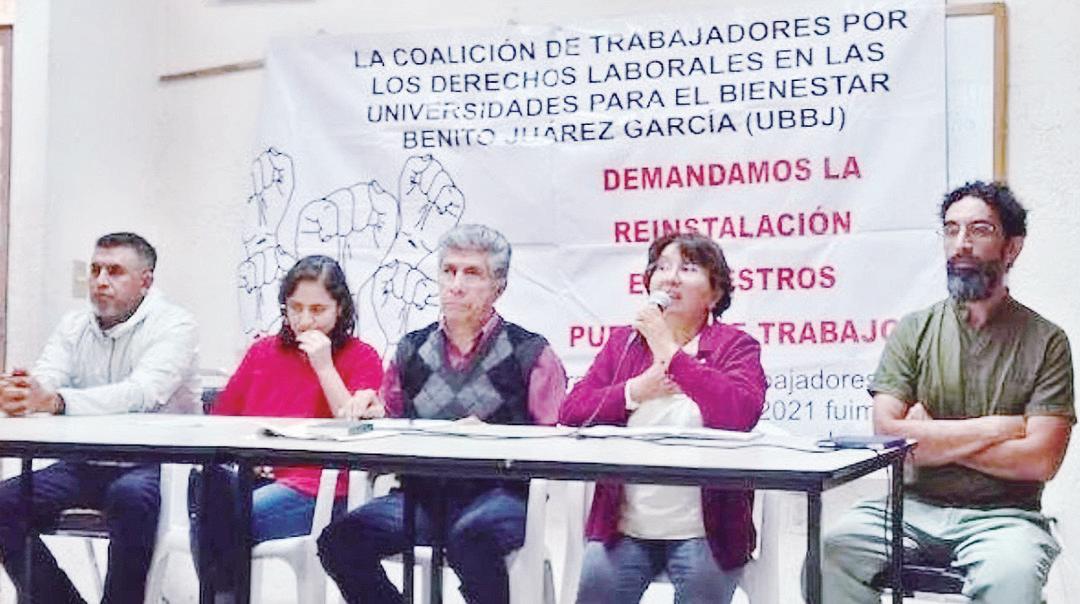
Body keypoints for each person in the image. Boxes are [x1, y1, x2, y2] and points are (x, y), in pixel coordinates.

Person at [816, 181, 1074, 603]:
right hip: (909, 508)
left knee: (1012, 579)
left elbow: (1040, 460)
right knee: (831, 554)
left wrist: (929, 438)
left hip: (1005, 518)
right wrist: (998, 428)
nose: (961, 243)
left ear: (1012, 247)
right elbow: (888, 436)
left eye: (979, 230)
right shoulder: (914, 330)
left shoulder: (1047, 341)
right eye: (952, 230)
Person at [318, 224, 568, 604]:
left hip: (501, 497)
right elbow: (393, 423)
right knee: (340, 540)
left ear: (498, 286)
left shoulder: (531, 353)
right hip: (421, 497)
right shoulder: (411, 349)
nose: (456, 285)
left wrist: (494, 439)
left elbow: (554, 444)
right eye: (449, 271)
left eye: (472, 273)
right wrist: (372, 415)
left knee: (470, 537)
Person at [560, 231, 767, 604]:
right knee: (595, 588)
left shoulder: (735, 346)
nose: (670, 278)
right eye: (662, 267)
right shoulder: (624, 344)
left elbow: (739, 413)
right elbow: (573, 411)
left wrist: (669, 352)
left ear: (715, 294)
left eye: (688, 269)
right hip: (624, 527)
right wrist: (635, 390)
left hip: (707, 532)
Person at [0, 232, 199, 604]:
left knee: (130, 497)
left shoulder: (175, 325)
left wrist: (55, 401)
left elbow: (141, 394)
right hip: (87, 463)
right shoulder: (74, 325)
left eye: (115, 271)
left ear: (145, 282)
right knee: (4, 503)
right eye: (95, 270)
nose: (100, 281)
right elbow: (48, 377)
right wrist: (22, 392)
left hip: (158, 466)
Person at [188, 254, 383, 600]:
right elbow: (222, 419)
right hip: (254, 474)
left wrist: (324, 366)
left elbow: (353, 425)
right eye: (296, 308)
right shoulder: (263, 352)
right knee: (209, 495)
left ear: (340, 309)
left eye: (318, 310)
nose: (305, 321)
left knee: (217, 522)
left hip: (317, 486)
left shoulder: (362, 355)